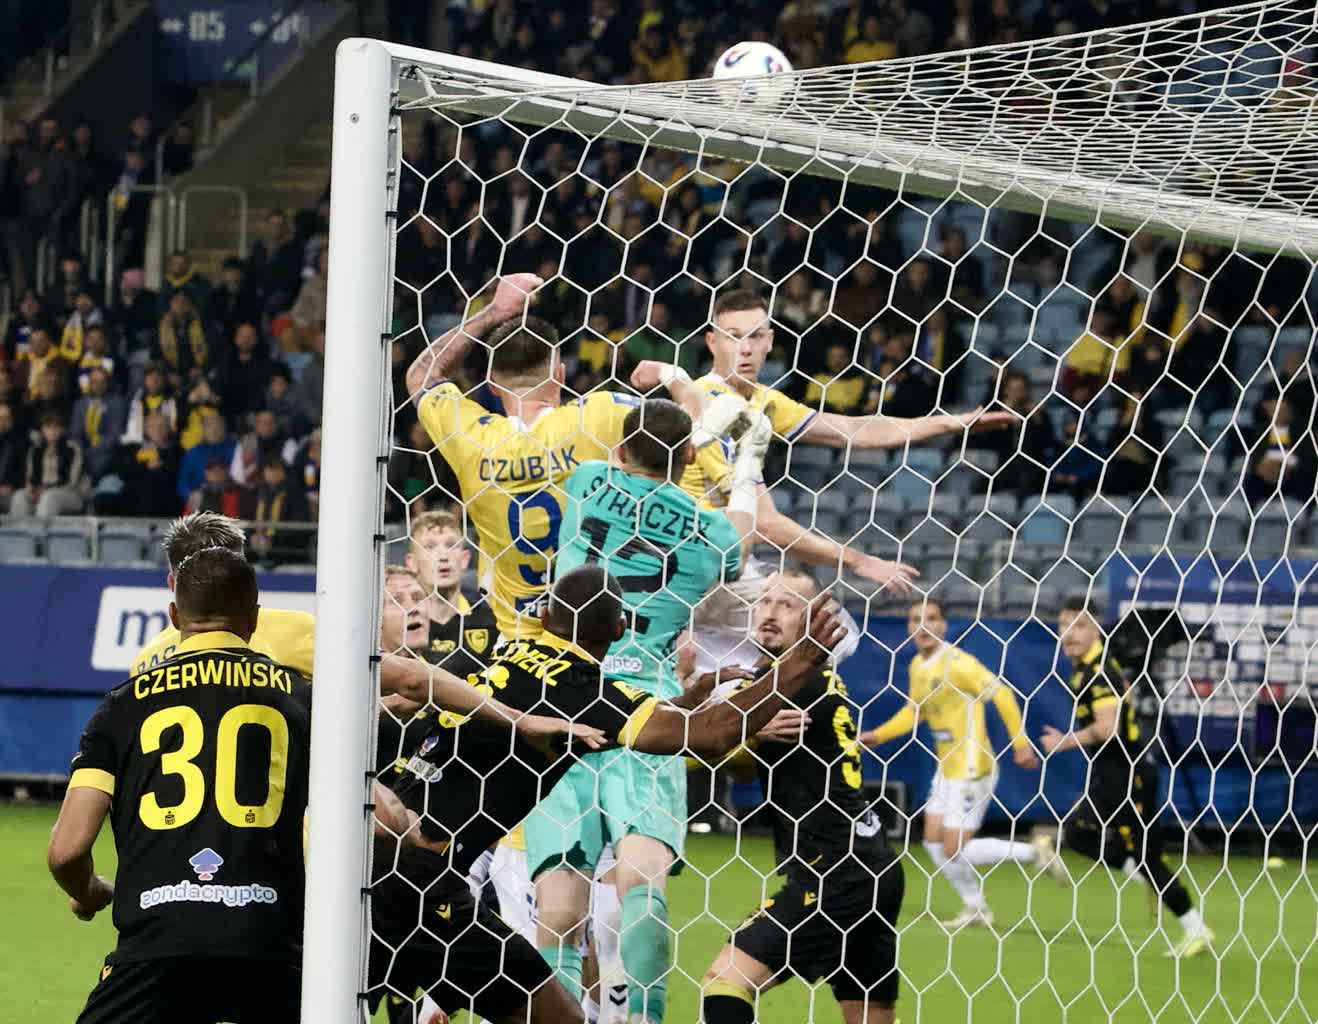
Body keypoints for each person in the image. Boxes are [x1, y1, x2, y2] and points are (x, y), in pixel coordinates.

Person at [374, 564, 847, 1024]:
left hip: (385, 856)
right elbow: (713, 735)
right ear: (620, 630)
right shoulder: (585, 690)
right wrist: (798, 664)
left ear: (545, 617)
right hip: (423, 881)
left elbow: (616, 719)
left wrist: (683, 703)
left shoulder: (509, 654)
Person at [529, 399, 757, 1023]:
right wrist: (745, 457)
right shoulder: (712, 534)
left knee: (559, 903)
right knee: (642, 879)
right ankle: (645, 1017)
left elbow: (620, 464)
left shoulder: (588, 481)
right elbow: (743, 534)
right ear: (687, 458)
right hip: (651, 708)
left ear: (622, 450)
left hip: (563, 696)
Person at [50, 547, 312, 1023]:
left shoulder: (122, 706)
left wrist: (89, 892)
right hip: (270, 946)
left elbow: (66, 852)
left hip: (155, 946)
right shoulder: (300, 699)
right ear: (253, 618)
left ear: (174, 616)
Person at [404, 273, 724, 643]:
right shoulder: (597, 415)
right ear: (560, 374)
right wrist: (672, 374)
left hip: (518, 644)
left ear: (491, 383)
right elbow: (695, 425)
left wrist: (493, 312)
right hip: (597, 638)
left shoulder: (471, 437)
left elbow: (421, 375)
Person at [701, 569, 905, 1024]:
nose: (770, 612)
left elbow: (702, 749)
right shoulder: (802, 679)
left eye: (788, 605)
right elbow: (737, 759)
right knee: (869, 1013)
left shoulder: (787, 685)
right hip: (872, 866)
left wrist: (718, 720)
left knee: (726, 981)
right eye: (764, 600)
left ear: (815, 620)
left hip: (832, 873)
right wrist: (746, 734)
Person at [1043, 598, 1213, 958]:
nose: (1069, 633)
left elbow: (1109, 729)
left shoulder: (1099, 671)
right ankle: (1146, 877)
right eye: (1064, 625)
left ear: (1096, 629)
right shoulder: (1085, 667)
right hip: (1112, 773)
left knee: (1133, 854)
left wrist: (1064, 742)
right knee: (1080, 836)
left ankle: (1194, 928)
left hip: (1128, 775)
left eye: (1079, 625)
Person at [861, 598, 1044, 928]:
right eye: (915, 619)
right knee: (932, 842)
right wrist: (877, 736)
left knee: (953, 848)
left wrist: (1020, 744)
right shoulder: (918, 665)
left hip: (972, 767)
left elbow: (1002, 695)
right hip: (947, 768)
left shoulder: (959, 663)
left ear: (943, 625)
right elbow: (914, 712)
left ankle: (1034, 852)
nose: (923, 625)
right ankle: (976, 907)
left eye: (931, 618)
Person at [11, 412, 86, 516]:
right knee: (19, 495)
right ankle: (19, 526)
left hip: (69, 493)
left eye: (56, 427)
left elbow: (72, 481)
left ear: (62, 430)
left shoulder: (72, 449)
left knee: (49, 496)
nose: (52, 431)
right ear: (42, 430)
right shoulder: (35, 450)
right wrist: (33, 490)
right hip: (40, 491)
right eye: (48, 428)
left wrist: (46, 490)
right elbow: (29, 477)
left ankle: (41, 526)